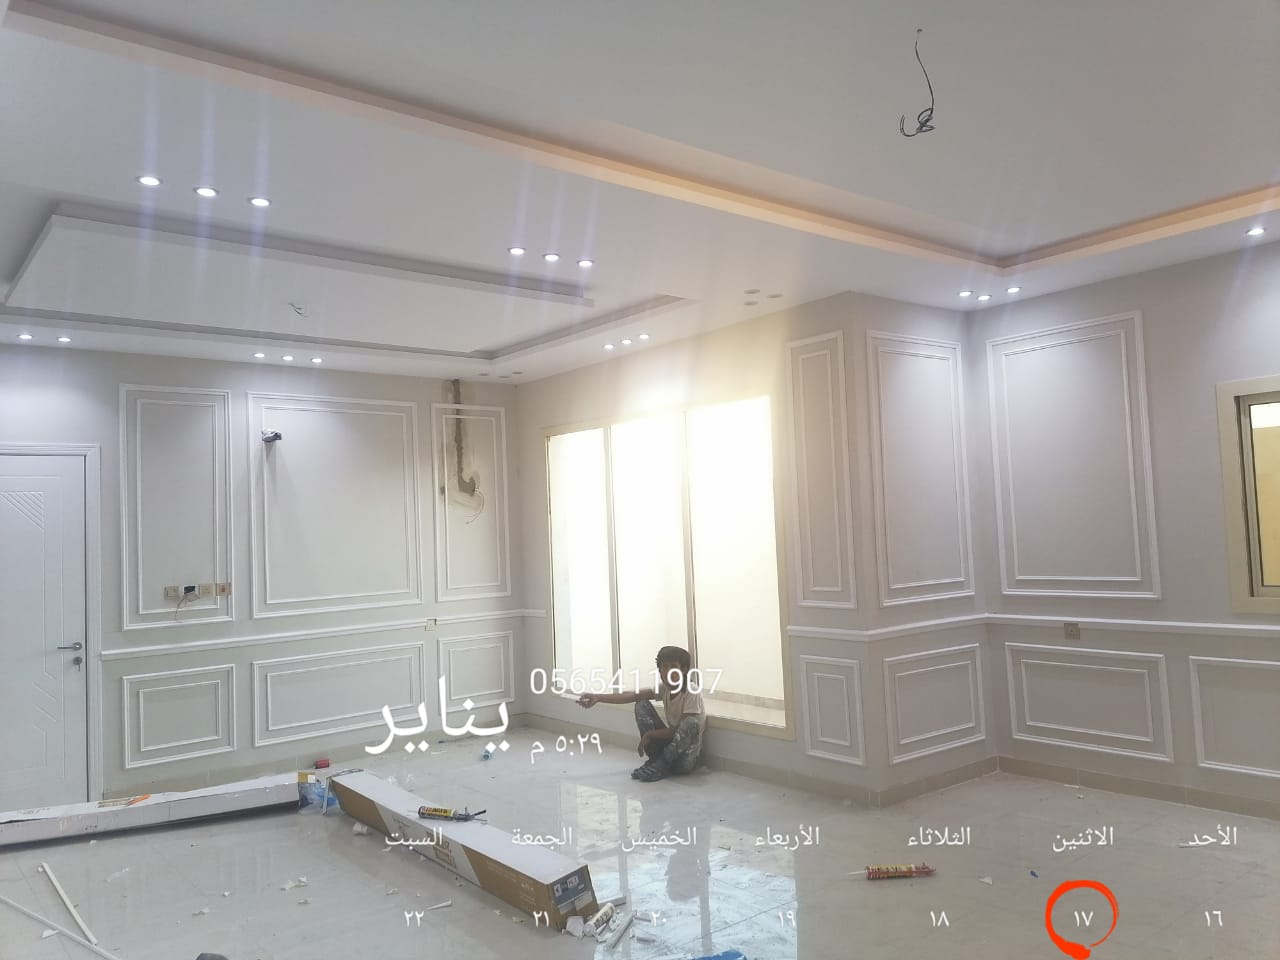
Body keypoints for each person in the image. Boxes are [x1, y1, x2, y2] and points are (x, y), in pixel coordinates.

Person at [577, 646, 706, 781]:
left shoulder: (692, 690)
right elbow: (633, 695)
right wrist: (598, 697)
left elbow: (679, 730)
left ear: (684, 669)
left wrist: (650, 734)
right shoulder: (665, 688)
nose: (668, 671)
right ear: (659, 670)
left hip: (684, 758)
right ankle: (656, 760)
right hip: (668, 748)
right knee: (641, 704)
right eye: (664, 667)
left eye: (673, 666)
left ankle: (661, 765)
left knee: (691, 723)